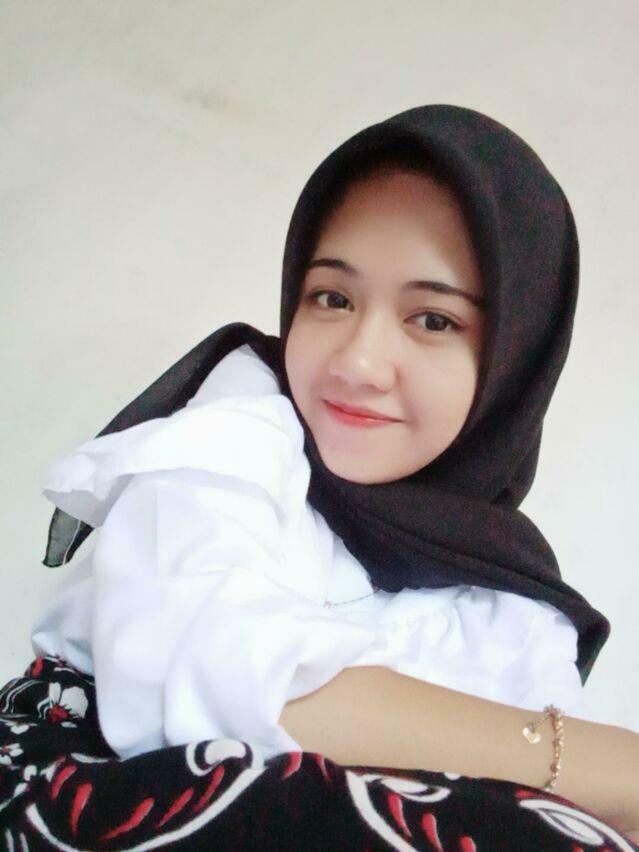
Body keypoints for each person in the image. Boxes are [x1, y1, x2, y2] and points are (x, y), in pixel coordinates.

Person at [1, 104, 637, 849]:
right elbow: (224, 679)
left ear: (514, 362)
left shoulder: (515, 605)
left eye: (433, 320)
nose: (357, 363)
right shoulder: (237, 430)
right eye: (332, 299)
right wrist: (585, 757)